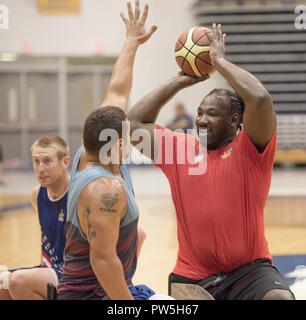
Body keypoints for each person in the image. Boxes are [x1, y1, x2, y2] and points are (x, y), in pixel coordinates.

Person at [127, 23, 294, 300]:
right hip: (193, 276)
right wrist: (181, 80)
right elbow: (132, 124)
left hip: (250, 272)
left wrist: (220, 62)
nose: (202, 119)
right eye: (200, 112)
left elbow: (261, 99)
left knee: (280, 299)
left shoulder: (250, 149)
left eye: (212, 114)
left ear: (234, 121)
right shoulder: (180, 150)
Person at [57, 0, 160, 300]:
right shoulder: (105, 190)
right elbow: (102, 261)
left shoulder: (89, 152)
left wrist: (131, 42)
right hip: (92, 296)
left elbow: (117, 90)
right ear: (116, 145)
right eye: (127, 136)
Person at [0, 135, 70, 300]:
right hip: (49, 269)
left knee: (17, 281)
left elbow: (137, 234)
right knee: (2, 284)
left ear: (65, 162)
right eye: (36, 161)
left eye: (47, 161)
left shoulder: (78, 195)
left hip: (73, 274)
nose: (40, 168)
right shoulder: (37, 194)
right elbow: (48, 239)